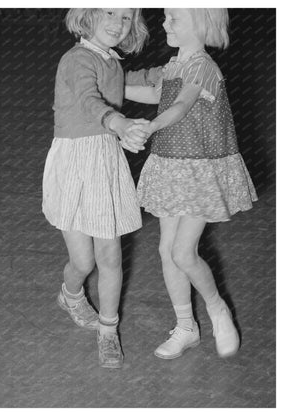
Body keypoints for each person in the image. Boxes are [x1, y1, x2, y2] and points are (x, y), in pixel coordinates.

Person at [125, 8, 258, 359]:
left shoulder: (203, 66)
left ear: (199, 25)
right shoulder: (174, 65)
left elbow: (181, 105)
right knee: (166, 251)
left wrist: (149, 127)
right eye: (167, 17)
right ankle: (186, 327)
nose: (165, 24)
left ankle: (217, 310)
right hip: (172, 168)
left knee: (184, 252)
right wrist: (109, 82)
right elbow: (158, 94)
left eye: (174, 19)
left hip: (201, 172)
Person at [42, 8, 150, 368]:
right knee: (83, 261)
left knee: (110, 257)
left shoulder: (113, 63)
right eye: (109, 12)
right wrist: (117, 121)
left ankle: (108, 330)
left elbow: (134, 83)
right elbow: (90, 99)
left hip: (105, 163)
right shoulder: (75, 59)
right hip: (74, 164)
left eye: (125, 17)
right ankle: (71, 295)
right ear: (87, 15)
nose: (117, 24)